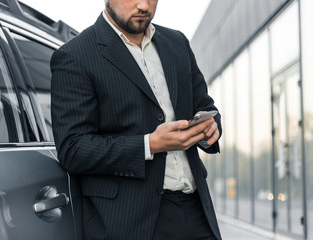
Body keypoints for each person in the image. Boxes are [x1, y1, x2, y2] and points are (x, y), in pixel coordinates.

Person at [50, 0, 222, 239]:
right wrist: (150, 144)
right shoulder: (75, 55)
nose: (144, 5)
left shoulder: (178, 43)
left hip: (196, 212)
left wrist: (210, 129)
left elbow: (204, 106)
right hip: (129, 222)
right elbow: (73, 149)